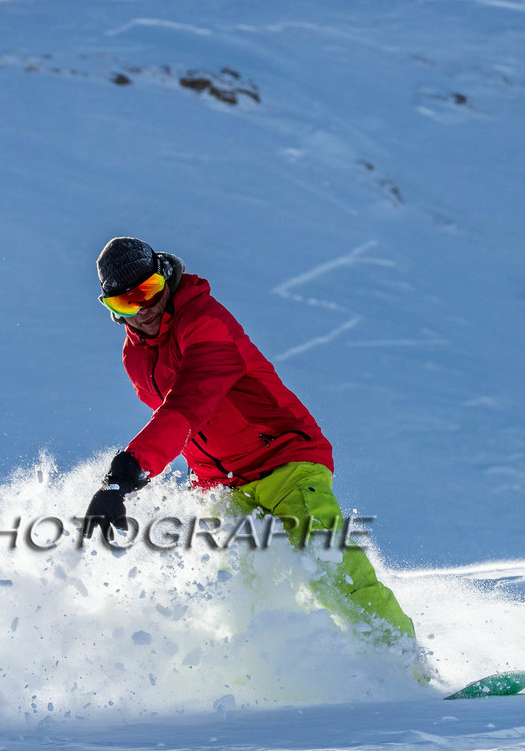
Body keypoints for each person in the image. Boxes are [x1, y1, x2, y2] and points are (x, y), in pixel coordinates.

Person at [84, 236, 417, 643]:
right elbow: (187, 430)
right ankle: (268, 686)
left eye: (148, 292)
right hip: (220, 486)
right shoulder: (135, 355)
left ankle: (408, 672)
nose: (143, 309)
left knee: (335, 570)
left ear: (165, 277)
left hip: (283, 462)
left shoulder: (205, 321)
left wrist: (126, 473)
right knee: (239, 594)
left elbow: (188, 406)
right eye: (125, 303)